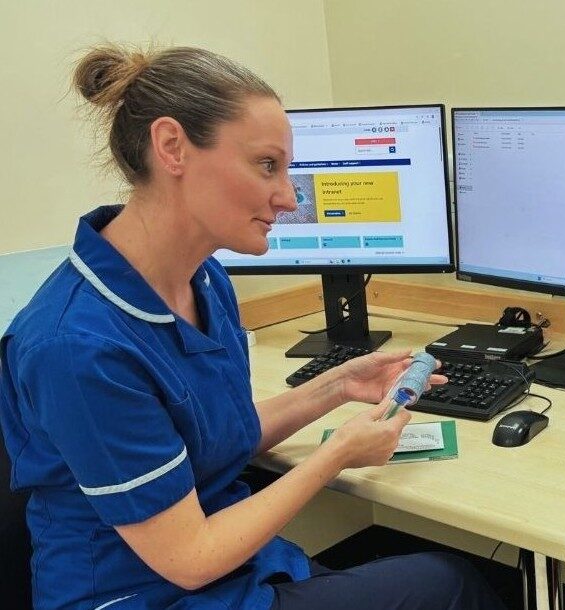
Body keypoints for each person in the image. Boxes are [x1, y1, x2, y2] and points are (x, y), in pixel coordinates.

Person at [0, 44, 507, 610]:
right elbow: (189, 559)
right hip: (144, 595)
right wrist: (335, 453)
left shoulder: (205, 281)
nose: (289, 198)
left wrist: (338, 385)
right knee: (449, 584)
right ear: (172, 147)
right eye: (268, 165)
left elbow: (218, 436)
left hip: (233, 570)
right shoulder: (76, 346)